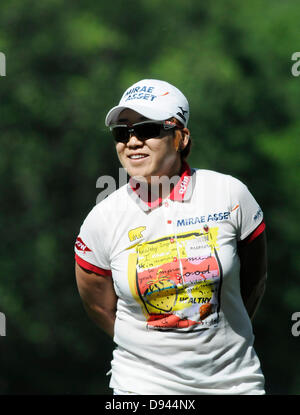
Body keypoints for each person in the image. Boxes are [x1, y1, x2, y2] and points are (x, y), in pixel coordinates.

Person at [74, 79, 267, 395]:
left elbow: (254, 282)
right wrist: (154, 352)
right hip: (141, 389)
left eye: (148, 130)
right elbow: (99, 306)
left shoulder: (230, 195)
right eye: (122, 133)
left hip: (235, 385)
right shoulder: (102, 219)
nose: (133, 141)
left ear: (181, 137)